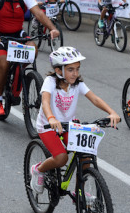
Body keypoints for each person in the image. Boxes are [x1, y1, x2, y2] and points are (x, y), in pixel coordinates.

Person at [29, 47, 120, 195]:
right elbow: (45, 101)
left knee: (85, 155)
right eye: (71, 69)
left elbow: (95, 99)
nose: (75, 73)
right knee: (61, 158)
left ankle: (81, 192)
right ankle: (38, 170)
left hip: (68, 125)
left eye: (77, 69)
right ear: (59, 70)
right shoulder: (50, 81)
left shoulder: (77, 84)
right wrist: (51, 118)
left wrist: (112, 112)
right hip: (48, 126)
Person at [0, 0, 59, 116]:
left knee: (33, 49)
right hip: (0, 35)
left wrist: (52, 28)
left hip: (18, 34)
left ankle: (17, 83)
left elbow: (38, 13)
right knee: (4, 64)